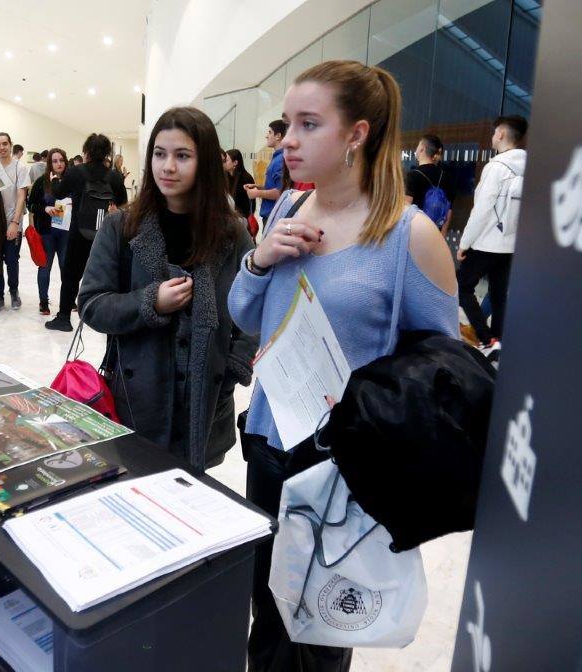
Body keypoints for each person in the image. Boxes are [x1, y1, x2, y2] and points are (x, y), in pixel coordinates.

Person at [228, 60, 457, 671]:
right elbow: (244, 316)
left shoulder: (408, 235)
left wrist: (364, 390)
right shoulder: (287, 211)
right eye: (286, 123)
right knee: (268, 610)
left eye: (308, 124)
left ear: (356, 134)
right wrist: (259, 259)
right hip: (269, 440)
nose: (288, 141)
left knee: (321, 627)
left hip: (341, 466)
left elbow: (443, 374)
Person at [77, 107, 255, 469]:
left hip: (206, 407)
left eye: (182, 156)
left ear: (204, 162)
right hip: (137, 401)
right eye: (160, 154)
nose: (167, 167)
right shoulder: (121, 227)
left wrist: (232, 370)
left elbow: (254, 310)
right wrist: (150, 302)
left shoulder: (231, 233)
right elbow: (92, 304)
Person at [457, 115, 528, 356]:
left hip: (487, 243)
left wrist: (465, 243)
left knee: (462, 286)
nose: (493, 136)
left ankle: (485, 337)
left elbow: (482, 210)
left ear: (500, 134)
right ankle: (498, 342)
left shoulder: (496, 167)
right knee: (499, 295)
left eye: (494, 132)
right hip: (511, 245)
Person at [45, 133, 128, 331]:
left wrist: (55, 180)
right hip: (104, 234)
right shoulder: (114, 176)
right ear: (107, 152)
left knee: (71, 275)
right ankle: (107, 318)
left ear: (87, 151)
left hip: (78, 233)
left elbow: (58, 193)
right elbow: (123, 202)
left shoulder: (77, 172)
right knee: (106, 276)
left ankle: (64, 318)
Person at [0, 132, 31, 313]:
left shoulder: (20, 167)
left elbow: (21, 196)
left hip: (13, 222)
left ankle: (14, 291)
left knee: (12, 260)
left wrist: (15, 222)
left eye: (5, 143)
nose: (2, 147)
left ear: (10, 145)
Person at [27, 147, 71, 315]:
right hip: (47, 231)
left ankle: (67, 299)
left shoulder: (71, 181)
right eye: (55, 161)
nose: (59, 164)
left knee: (65, 266)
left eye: (61, 160)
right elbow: (31, 205)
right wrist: (45, 208)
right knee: (45, 266)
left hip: (66, 231)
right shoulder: (41, 182)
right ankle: (43, 301)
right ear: (49, 163)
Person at [405, 133, 456, 235]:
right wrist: (442, 235)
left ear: (422, 149)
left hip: (415, 234)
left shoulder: (413, 175)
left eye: (418, 146)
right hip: (435, 233)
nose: (416, 149)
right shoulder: (446, 177)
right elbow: (448, 210)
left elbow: (405, 207)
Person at [244, 119, 286, 228]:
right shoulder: (277, 157)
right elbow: (276, 186)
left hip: (273, 216)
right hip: (271, 215)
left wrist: (256, 193)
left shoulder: (280, 159)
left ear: (278, 136)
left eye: (270, 132)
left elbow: (280, 192)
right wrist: (258, 187)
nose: (267, 136)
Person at [223, 148, 254, 218]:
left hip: (242, 218)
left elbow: (251, 203)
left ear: (235, 163)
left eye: (226, 161)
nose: (224, 163)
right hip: (229, 216)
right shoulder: (225, 177)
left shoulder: (246, 178)